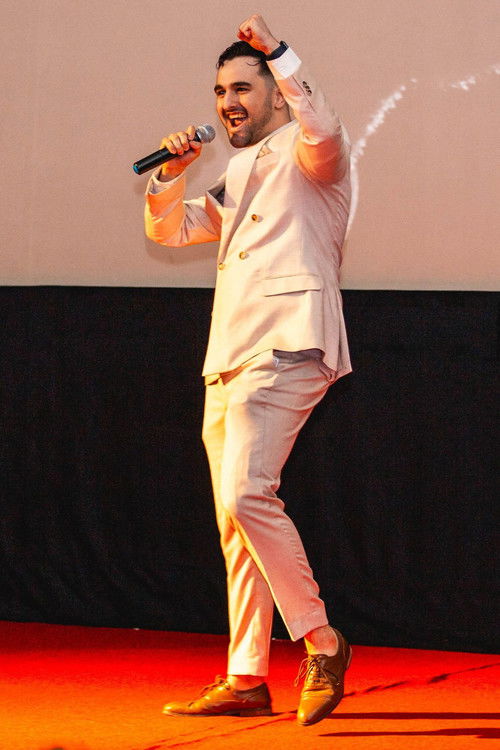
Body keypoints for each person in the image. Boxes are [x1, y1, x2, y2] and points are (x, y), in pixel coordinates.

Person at [144, 14, 352, 726]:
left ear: (276, 93)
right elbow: (171, 228)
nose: (226, 101)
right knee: (235, 518)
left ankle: (322, 640)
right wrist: (170, 175)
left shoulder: (312, 150)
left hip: (288, 343)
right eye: (218, 90)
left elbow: (321, 121)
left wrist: (280, 51)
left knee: (245, 493)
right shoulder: (238, 170)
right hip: (230, 355)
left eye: (241, 87)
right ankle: (245, 676)